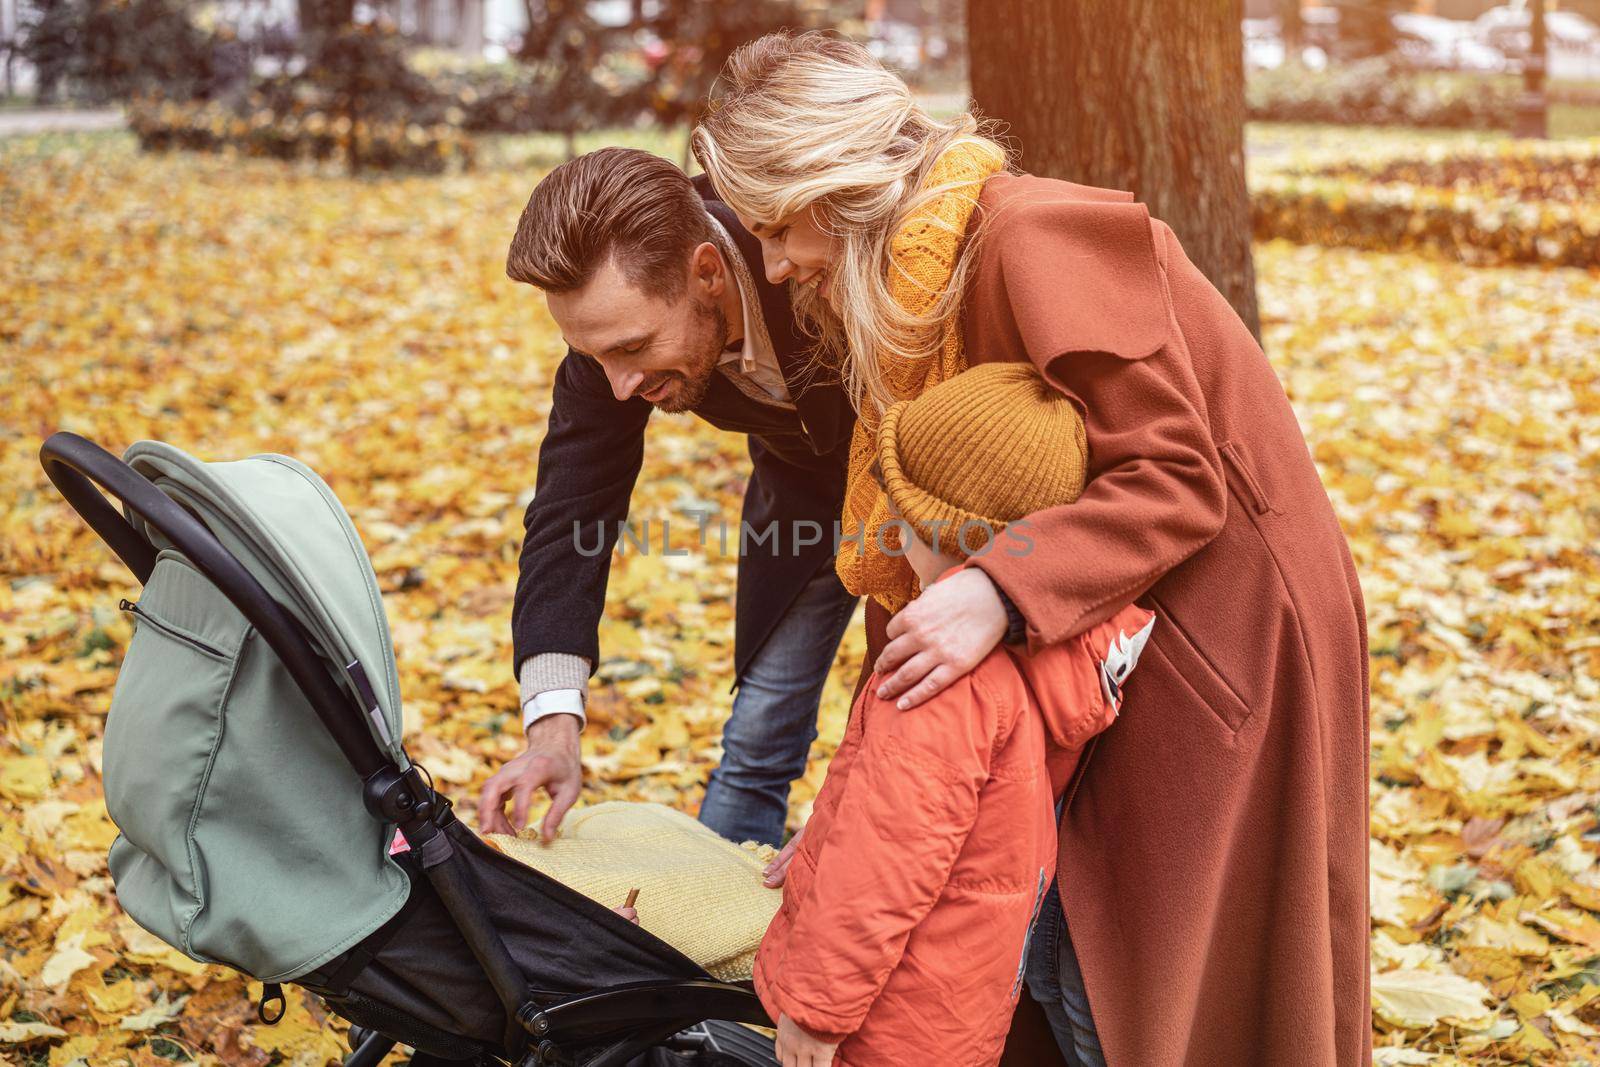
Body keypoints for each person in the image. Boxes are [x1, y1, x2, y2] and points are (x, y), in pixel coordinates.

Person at [693, 31, 1371, 1067]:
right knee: (1060, 954)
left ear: (832, 186)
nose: (778, 266)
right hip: (1099, 618)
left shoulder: (1030, 234)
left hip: (1213, 631)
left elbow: (1175, 475)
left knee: (1145, 976)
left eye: (778, 230)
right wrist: (845, 825)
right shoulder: (914, 282)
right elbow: (930, 549)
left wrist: (997, 594)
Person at [757, 362, 1154, 1067]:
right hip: (957, 1011)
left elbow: (884, 860)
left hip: (881, 1022)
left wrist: (816, 1014)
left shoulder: (939, 676)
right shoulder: (1048, 646)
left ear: (925, 523)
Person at [478, 147, 859, 850]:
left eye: (633, 348)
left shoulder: (813, 247)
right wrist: (553, 730)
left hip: (943, 502)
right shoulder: (611, 344)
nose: (619, 386)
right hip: (805, 505)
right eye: (596, 357)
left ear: (708, 272)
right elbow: (569, 516)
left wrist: (869, 799)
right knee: (757, 738)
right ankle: (712, 930)